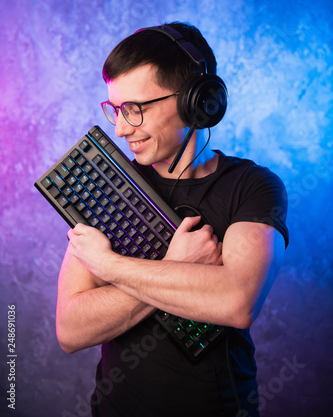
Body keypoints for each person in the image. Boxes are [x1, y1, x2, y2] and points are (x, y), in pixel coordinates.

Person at [56, 22, 289, 417]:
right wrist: (174, 267)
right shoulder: (109, 185)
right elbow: (71, 328)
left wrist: (111, 266)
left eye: (135, 110)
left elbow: (235, 301)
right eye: (114, 109)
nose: (120, 128)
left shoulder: (253, 187)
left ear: (195, 101)